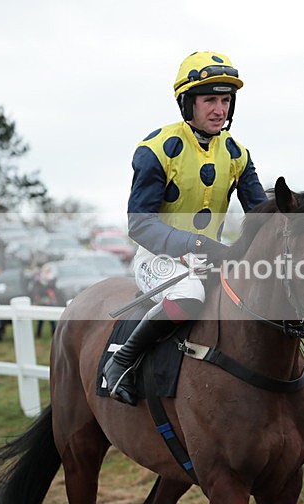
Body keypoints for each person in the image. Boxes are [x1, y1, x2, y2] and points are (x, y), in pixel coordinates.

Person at [103, 51, 267, 405]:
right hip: (158, 258)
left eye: (226, 100)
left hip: (212, 258)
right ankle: (122, 361)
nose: (220, 109)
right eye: (210, 100)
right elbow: (139, 224)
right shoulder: (156, 149)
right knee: (188, 298)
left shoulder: (238, 153)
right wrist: (195, 245)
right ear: (187, 103)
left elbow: (259, 214)